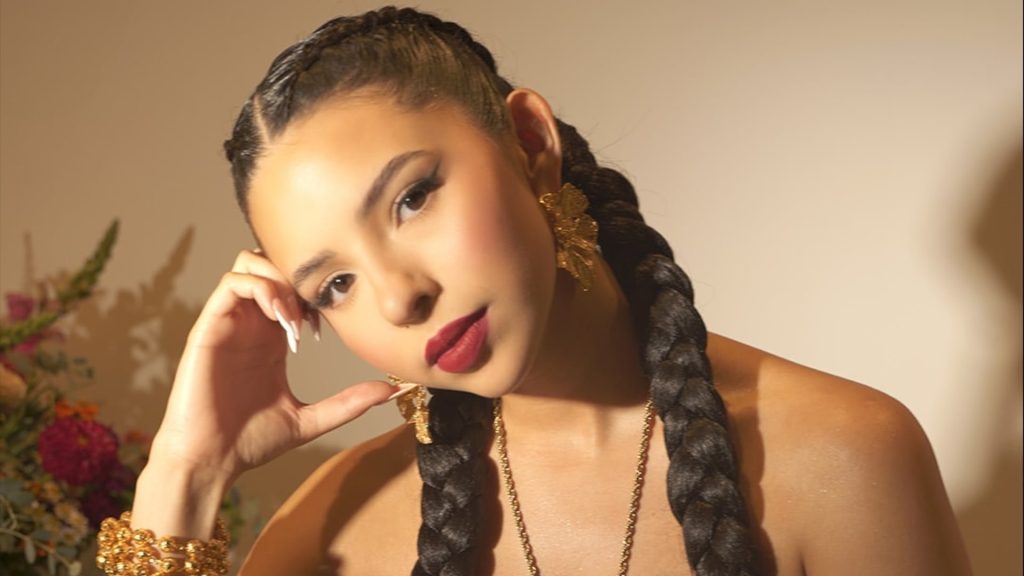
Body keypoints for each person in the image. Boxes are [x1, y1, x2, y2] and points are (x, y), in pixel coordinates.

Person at [101, 6, 972, 576]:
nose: (399, 298)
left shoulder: (842, 459)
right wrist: (184, 476)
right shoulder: (338, 525)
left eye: (413, 198)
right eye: (335, 284)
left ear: (529, 141)